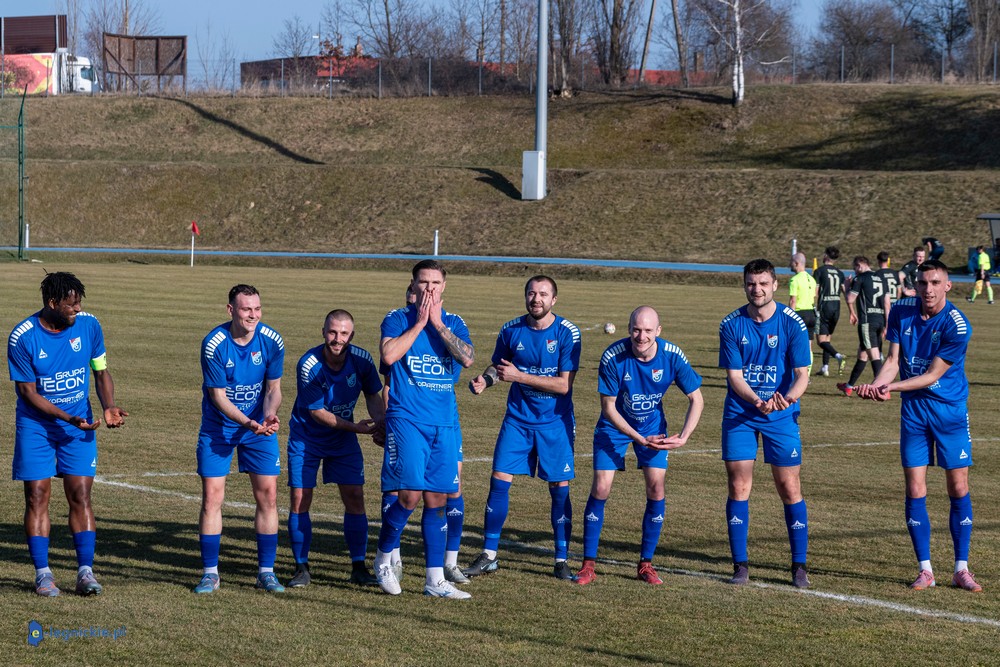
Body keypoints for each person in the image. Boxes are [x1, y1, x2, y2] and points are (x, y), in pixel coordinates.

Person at [855, 260, 982, 592]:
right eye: (923, 283)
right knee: (914, 489)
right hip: (914, 412)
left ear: (948, 285)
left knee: (958, 487)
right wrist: (876, 385)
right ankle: (925, 570)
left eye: (935, 283)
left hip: (949, 412)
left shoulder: (957, 325)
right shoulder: (901, 310)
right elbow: (892, 361)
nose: (928, 289)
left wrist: (890, 388)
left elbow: (931, 375)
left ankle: (961, 568)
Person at [7, 272, 128, 597]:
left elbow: (100, 370)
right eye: (71, 305)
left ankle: (85, 572)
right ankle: (43, 574)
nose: (78, 310)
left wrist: (109, 406)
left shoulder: (89, 325)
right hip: (37, 427)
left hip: (79, 425)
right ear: (52, 303)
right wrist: (67, 418)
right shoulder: (23, 337)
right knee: (37, 496)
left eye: (79, 304)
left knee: (81, 495)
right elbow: (28, 393)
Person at [463, 275, 582, 581]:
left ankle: (561, 559)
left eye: (543, 294)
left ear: (554, 300)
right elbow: (498, 367)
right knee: (499, 481)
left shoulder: (567, 333)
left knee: (559, 489)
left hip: (555, 423)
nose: (536, 299)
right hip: (517, 419)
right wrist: (486, 380)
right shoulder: (510, 330)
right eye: (531, 293)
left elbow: (563, 386)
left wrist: (520, 377)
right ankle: (489, 555)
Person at [576, 306, 703, 586]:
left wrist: (684, 436)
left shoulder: (672, 355)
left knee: (656, 488)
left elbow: (697, 398)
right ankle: (588, 565)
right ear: (628, 329)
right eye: (636, 329)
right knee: (601, 487)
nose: (641, 336)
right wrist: (639, 438)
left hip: (653, 427)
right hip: (615, 426)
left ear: (658, 331)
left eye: (647, 330)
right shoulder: (613, 356)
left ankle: (646, 564)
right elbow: (608, 408)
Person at [374, 259, 475, 599]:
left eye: (435, 283)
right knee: (409, 496)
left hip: (443, 422)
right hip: (407, 419)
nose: (429, 288)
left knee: (438, 499)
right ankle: (383, 559)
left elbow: (467, 358)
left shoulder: (454, 322)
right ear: (413, 285)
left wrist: (438, 325)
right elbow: (389, 356)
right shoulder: (397, 318)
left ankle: (434, 580)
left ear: (444, 286)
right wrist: (420, 323)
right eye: (423, 282)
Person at [718, 259, 812, 588]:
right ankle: (740, 565)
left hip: (781, 415)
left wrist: (788, 398)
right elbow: (735, 377)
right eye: (751, 283)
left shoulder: (792, 323)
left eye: (762, 283)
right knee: (738, 486)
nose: (756, 289)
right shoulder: (731, 325)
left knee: (789, 487)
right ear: (744, 285)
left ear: (775, 285)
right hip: (741, 414)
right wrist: (757, 401)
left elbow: (802, 375)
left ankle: (799, 566)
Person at [194, 285, 285, 594]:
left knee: (268, 496)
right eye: (246, 309)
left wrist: (269, 416)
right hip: (219, 429)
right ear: (231, 310)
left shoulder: (272, 341)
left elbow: (273, 389)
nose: (253, 315)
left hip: (259, 429)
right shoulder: (214, 344)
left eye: (257, 309)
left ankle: (266, 572)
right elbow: (218, 397)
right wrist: (248, 422)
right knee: (212, 498)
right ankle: (210, 573)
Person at [286, 310, 385, 588]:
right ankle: (301, 568)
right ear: (323, 332)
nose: (337, 339)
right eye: (332, 332)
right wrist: (357, 428)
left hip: (342, 440)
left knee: (355, 497)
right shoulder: (309, 364)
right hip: (307, 438)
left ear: (351, 336)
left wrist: (382, 425)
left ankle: (358, 567)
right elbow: (317, 412)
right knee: (300, 498)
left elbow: (373, 396)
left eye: (343, 333)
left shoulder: (362, 360)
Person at [838, 256, 890, 396]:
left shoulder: (860, 278)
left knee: (874, 356)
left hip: (868, 322)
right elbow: (887, 304)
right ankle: (849, 386)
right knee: (862, 355)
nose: (854, 271)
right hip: (880, 320)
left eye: (855, 268)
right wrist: (887, 324)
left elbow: (850, 298)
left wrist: (847, 287)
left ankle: (882, 389)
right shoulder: (881, 279)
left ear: (860, 265)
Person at [812, 246, 847, 377]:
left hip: (825, 306)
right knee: (827, 338)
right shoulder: (840, 273)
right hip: (836, 307)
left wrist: (812, 305)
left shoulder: (819, 271)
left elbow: (815, 291)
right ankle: (825, 367)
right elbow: (846, 292)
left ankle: (837, 356)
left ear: (826, 256)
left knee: (821, 341)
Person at [788, 253, 817, 375]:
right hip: (811, 314)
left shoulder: (795, 280)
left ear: (796, 263)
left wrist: (789, 318)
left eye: (791, 262)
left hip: (800, 314)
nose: (790, 264)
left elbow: (793, 301)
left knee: (794, 344)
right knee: (809, 346)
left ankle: (796, 373)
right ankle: (807, 374)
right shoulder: (812, 279)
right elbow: (814, 296)